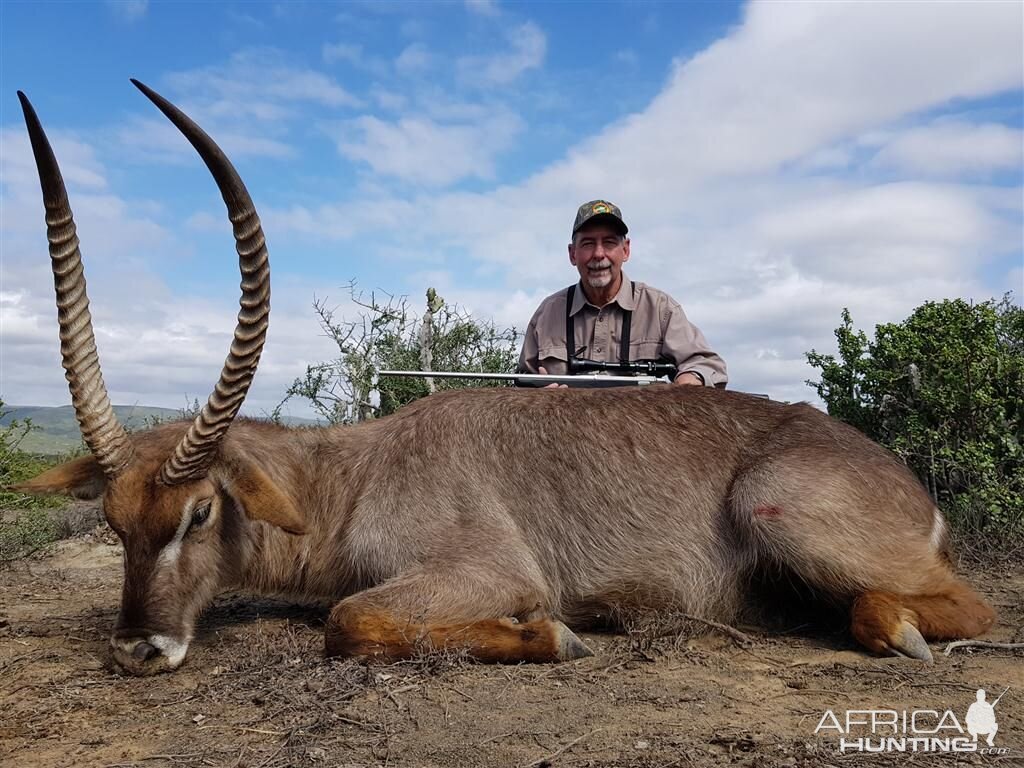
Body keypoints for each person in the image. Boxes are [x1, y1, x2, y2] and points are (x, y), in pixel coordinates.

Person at [518, 200, 728, 387]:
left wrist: (688, 383)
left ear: (626, 250)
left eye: (609, 243)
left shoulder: (660, 308)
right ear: (573, 254)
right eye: (588, 244)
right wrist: (537, 398)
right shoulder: (547, 314)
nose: (599, 254)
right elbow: (521, 382)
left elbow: (707, 365)